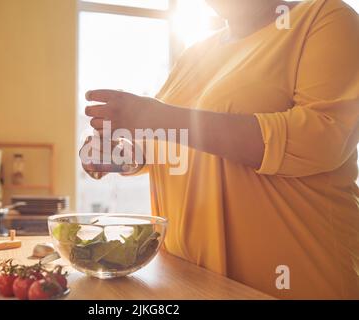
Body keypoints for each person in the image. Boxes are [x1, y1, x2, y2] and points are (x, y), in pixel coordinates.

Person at [80, 0, 359, 299]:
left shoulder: (324, 17)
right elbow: (163, 143)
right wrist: (119, 155)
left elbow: (321, 140)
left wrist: (155, 116)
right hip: (191, 283)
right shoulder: (196, 53)